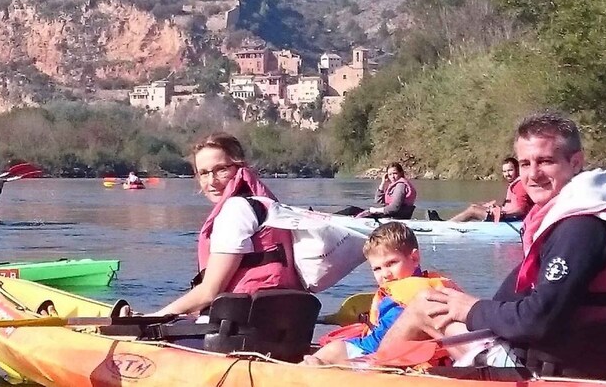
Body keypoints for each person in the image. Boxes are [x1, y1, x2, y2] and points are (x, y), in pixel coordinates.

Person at [380, 111, 606, 381]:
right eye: (525, 164)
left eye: (545, 161)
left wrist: (471, 309)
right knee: (441, 301)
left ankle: (368, 374)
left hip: (552, 373)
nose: (532, 174)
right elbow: (511, 299)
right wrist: (467, 306)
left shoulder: (581, 228)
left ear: (576, 162)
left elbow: (536, 321)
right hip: (591, 362)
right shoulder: (584, 215)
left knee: (424, 305)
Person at [151, 133, 302, 316]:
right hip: (280, 323)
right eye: (204, 173)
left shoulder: (236, 210)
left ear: (240, 167)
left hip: (240, 330)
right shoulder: (268, 205)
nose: (212, 181)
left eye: (221, 169)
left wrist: (151, 319)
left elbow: (208, 293)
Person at [303, 222, 458, 365]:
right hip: (388, 351)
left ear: (414, 258)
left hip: (375, 353)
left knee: (333, 349)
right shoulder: (435, 285)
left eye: (391, 263)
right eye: (377, 269)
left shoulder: (420, 293)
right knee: (334, 347)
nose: (385, 274)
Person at [437, 157, 531, 223]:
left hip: (513, 219)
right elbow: (511, 204)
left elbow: (521, 210)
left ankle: (446, 225)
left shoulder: (519, 185)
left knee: (473, 210)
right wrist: (496, 207)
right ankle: (448, 223)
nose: (507, 174)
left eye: (510, 170)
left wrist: (503, 213)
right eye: (504, 171)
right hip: (507, 217)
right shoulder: (515, 184)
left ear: (517, 169)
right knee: (475, 206)